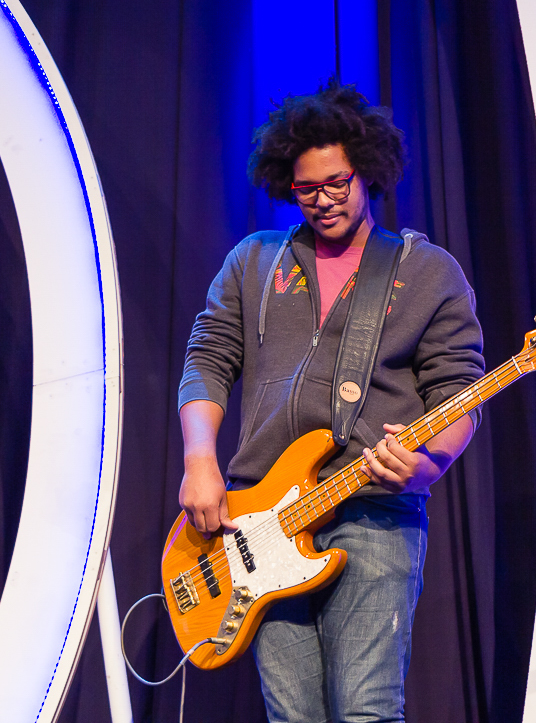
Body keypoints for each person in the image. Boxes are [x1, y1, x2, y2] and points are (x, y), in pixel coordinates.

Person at [177, 79, 485, 722]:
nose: (323, 201)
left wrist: (430, 465)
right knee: (293, 718)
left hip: (373, 512)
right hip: (259, 519)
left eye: (337, 184)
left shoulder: (426, 271)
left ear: (367, 173)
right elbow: (207, 358)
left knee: (366, 712)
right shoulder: (253, 261)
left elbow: (460, 391)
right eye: (306, 189)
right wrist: (200, 461)